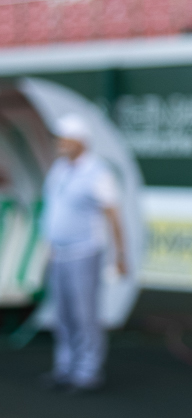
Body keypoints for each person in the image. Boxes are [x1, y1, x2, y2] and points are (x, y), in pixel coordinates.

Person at [41, 113, 126, 392]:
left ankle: (87, 372)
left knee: (84, 315)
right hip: (59, 253)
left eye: (65, 139)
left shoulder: (98, 172)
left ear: (80, 141)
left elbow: (113, 215)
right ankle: (65, 367)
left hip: (84, 253)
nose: (60, 144)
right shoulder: (59, 169)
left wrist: (120, 256)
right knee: (63, 315)